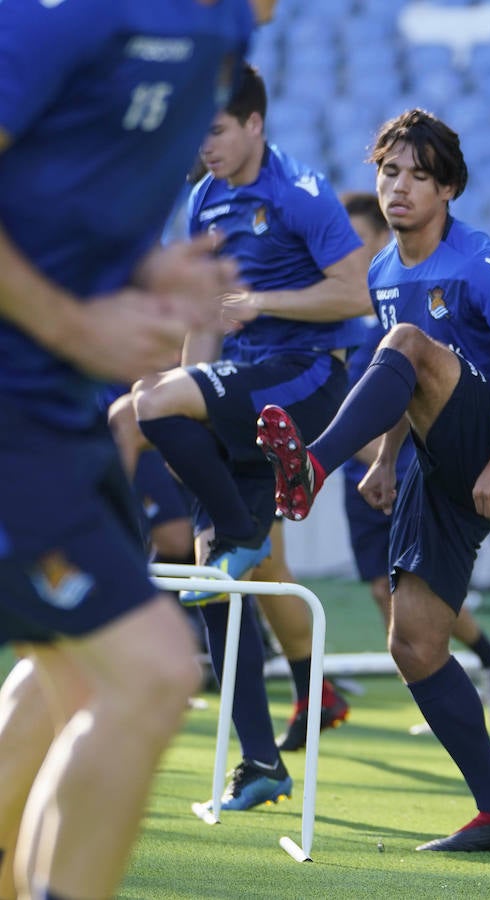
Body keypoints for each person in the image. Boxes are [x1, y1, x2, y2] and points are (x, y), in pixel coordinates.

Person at [0, 2, 277, 897]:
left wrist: (143, 275)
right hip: (14, 407)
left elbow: (53, 203)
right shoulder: (71, 16)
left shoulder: (226, 37)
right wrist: (76, 322)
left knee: (71, 683)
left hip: (57, 412)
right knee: (153, 672)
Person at [257, 108, 490, 852]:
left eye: (419, 177)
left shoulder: (478, 262)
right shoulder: (380, 271)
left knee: (405, 339)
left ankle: (310, 463)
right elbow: (405, 381)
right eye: (389, 172)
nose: (399, 188)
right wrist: (384, 457)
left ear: (448, 192)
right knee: (414, 645)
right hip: (441, 462)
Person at [110, 63, 370, 813]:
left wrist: (260, 302)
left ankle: (231, 525)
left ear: (254, 125)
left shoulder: (304, 192)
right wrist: (191, 401)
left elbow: (355, 290)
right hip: (245, 396)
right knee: (213, 586)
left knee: (147, 405)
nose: (205, 145)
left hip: (306, 379)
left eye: (216, 130)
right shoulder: (201, 199)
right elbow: (201, 317)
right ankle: (259, 763)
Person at [341, 191, 490, 730]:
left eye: (357, 239)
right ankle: (441, 689)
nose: (349, 251)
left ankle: (489, 656)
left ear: (378, 236)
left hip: (407, 464)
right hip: (365, 466)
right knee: (382, 590)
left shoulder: (404, 305)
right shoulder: (352, 310)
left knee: (420, 589)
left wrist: (385, 454)